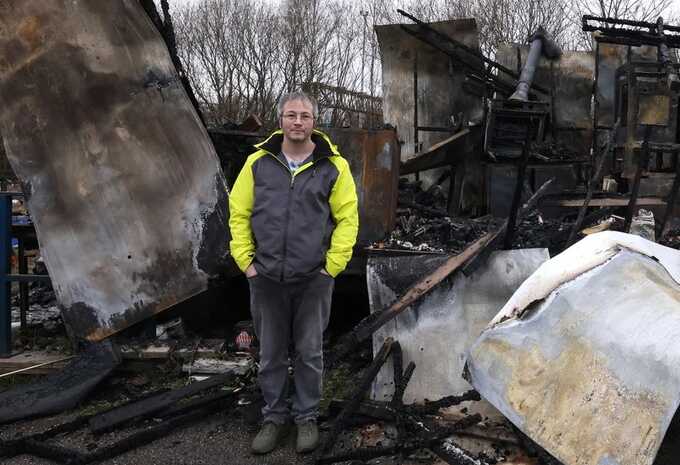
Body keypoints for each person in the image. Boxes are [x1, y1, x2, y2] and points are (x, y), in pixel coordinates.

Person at [228, 91, 359, 454]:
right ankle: (273, 418)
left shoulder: (334, 166)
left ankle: (306, 418)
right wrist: (247, 263)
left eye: (304, 116)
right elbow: (238, 214)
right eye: (291, 115)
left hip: (313, 278)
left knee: (309, 352)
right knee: (270, 353)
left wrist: (331, 268)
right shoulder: (258, 163)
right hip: (266, 277)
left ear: (314, 122)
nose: (297, 122)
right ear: (281, 120)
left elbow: (348, 220)